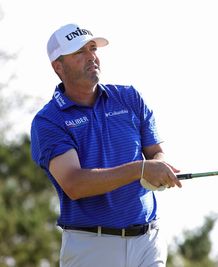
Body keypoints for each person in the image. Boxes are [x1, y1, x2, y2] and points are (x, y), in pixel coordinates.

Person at [30, 23, 182, 267]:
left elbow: (156, 152)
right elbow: (74, 184)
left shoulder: (129, 97)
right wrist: (140, 170)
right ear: (58, 67)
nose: (91, 56)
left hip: (148, 241)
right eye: (79, 53)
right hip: (92, 246)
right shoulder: (49, 120)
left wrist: (158, 167)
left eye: (92, 49)